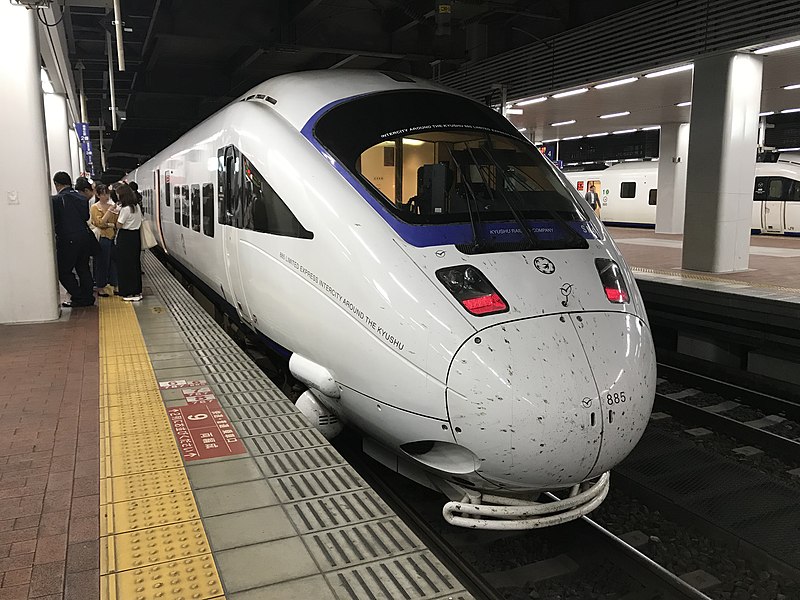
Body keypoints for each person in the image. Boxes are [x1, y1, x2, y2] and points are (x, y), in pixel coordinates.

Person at [51, 171, 95, 307]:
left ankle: (78, 297)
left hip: (68, 239)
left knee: (63, 271)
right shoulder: (82, 198)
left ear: (57, 184)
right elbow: (86, 217)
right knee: (83, 268)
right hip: (84, 237)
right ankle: (88, 298)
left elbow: (55, 221)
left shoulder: (57, 200)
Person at [104, 183, 142, 301]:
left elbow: (119, 225)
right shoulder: (136, 207)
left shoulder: (125, 209)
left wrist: (110, 223)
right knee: (135, 264)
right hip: (135, 237)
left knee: (125, 265)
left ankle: (127, 292)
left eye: (119, 195)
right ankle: (137, 292)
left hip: (126, 238)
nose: (118, 197)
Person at [89, 183, 118, 296]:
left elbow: (115, 222)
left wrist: (109, 223)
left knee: (113, 262)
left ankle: (114, 284)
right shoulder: (95, 207)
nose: (106, 196)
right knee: (102, 262)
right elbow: (99, 223)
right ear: (98, 195)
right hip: (102, 238)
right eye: (103, 194)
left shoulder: (113, 206)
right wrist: (109, 212)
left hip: (112, 237)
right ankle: (101, 286)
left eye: (107, 193)